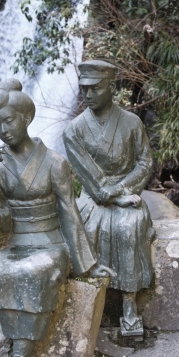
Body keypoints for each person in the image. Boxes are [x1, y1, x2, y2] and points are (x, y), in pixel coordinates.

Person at [0, 79, 114, 357]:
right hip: (14, 242)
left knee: (37, 271)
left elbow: (69, 212)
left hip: (50, 241)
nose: (3, 130)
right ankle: (20, 351)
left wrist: (86, 262)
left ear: (26, 118)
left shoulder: (55, 163)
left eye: (9, 121)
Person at [63, 60, 154, 337]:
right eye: (84, 89)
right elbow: (91, 180)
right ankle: (90, 301)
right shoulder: (74, 131)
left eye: (95, 89)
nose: (88, 95)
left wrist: (124, 191)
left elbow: (145, 163)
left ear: (110, 87)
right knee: (85, 228)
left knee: (129, 228)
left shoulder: (131, 123)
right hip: (93, 197)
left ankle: (129, 304)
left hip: (128, 191)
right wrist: (111, 197)